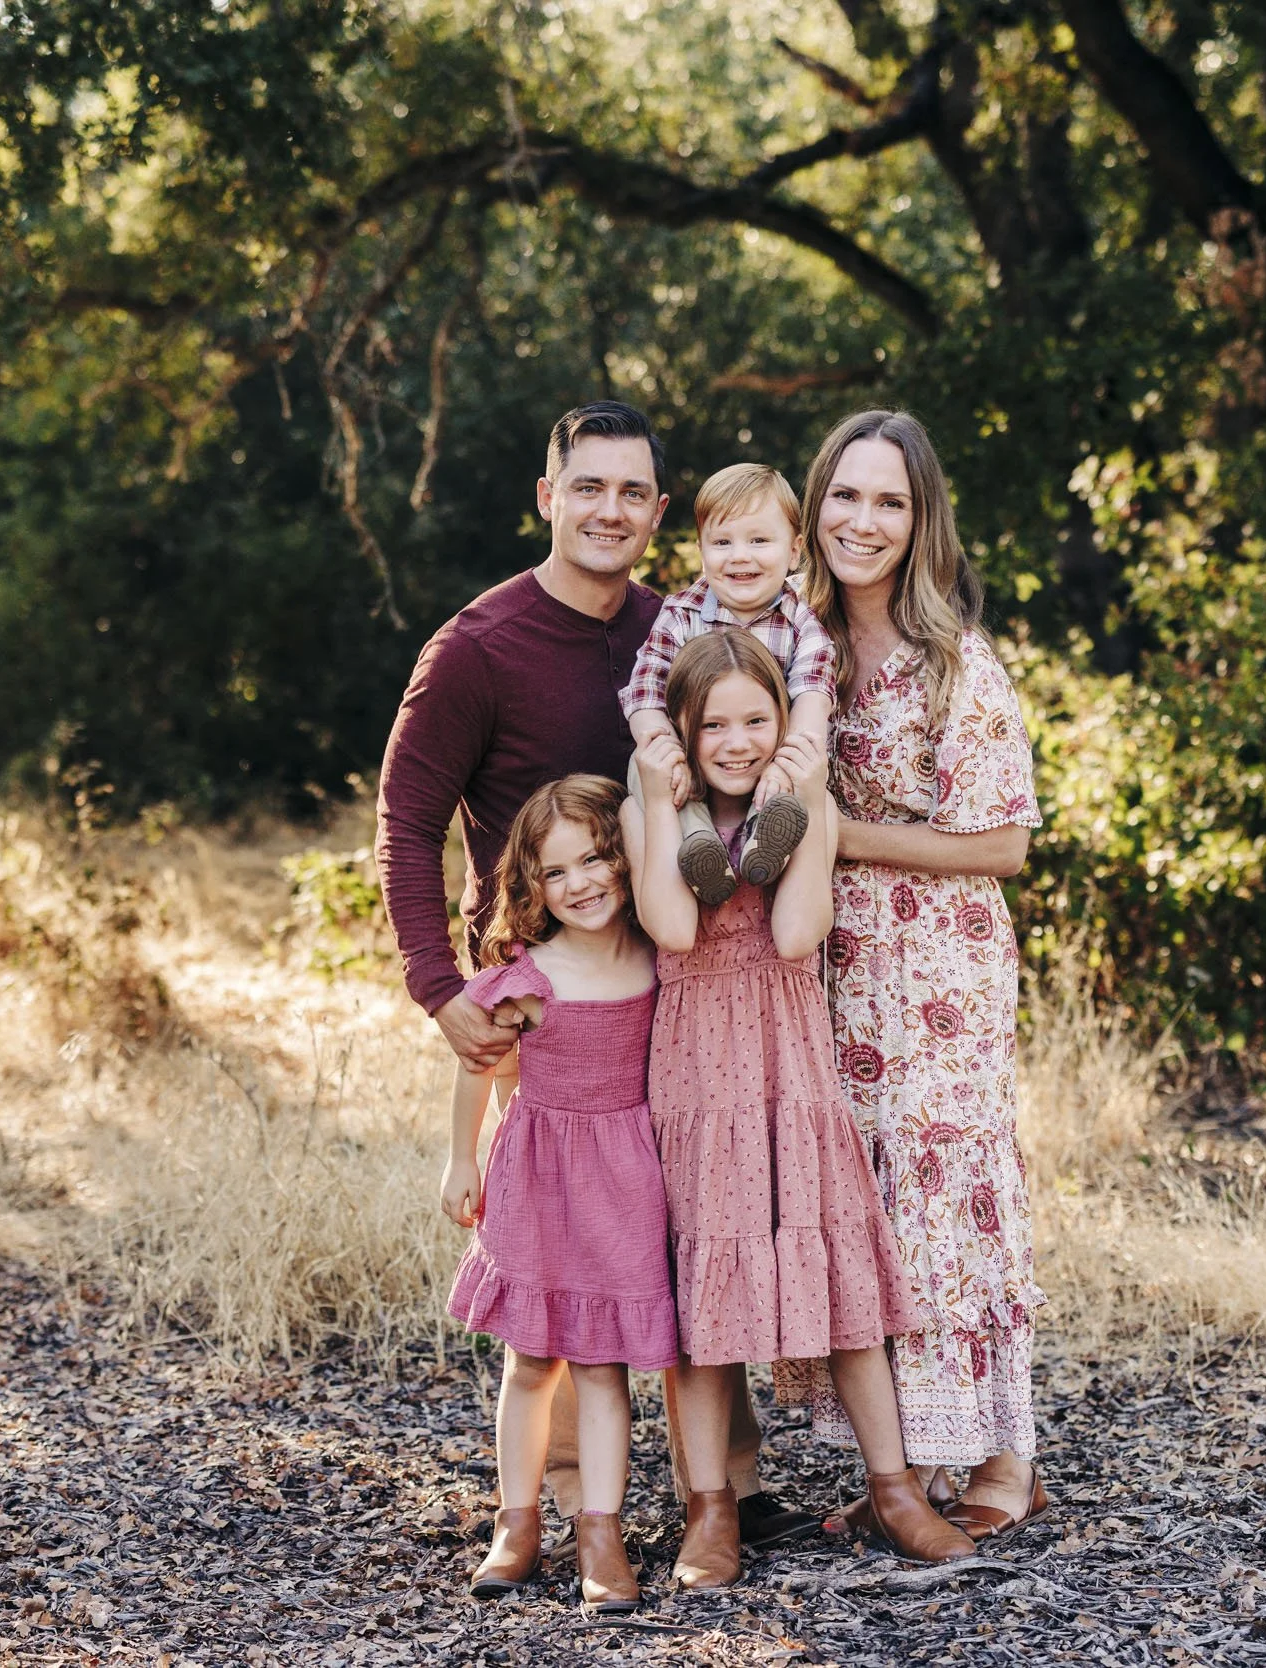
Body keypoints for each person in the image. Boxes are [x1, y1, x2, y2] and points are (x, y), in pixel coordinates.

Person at [375, 400, 808, 1553]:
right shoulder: (476, 648)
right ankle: (571, 1497)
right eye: (588, 487)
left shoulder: (676, 632)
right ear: (548, 496)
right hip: (546, 984)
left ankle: (729, 1482)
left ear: (658, 513)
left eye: (631, 492)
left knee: (676, 1222)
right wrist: (439, 988)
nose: (609, 509)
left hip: (673, 974)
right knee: (567, 1232)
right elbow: (404, 822)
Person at [624, 629, 976, 1583]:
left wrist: (802, 810)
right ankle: (711, 1511)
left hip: (789, 1062)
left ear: (785, 725)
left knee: (845, 1279)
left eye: (757, 720)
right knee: (706, 1293)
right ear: (684, 736)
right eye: (714, 727)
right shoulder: (646, 804)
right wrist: (666, 808)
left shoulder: (807, 803)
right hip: (697, 1070)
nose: (737, 741)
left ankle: (894, 1489)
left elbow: (793, 936)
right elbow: (670, 925)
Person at [787, 410, 1050, 1543]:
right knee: (870, 1206)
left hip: (938, 968)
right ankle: (908, 1465)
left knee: (947, 1199)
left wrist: (840, 833)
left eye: (888, 502)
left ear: (919, 518)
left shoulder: (955, 662)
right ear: (815, 506)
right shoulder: (792, 643)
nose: (863, 520)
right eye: (845, 497)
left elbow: (1003, 846)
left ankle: (1003, 1459)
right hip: (831, 967)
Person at [443, 776, 674, 1616]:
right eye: (556, 871)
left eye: (595, 858)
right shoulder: (531, 975)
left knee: (607, 1365)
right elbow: (478, 1063)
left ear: (625, 856)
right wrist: (458, 1161)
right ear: (530, 887)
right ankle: (518, 1522)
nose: (581, 883)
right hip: (538, 1176)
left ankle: (601, 1534)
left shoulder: (657, 957)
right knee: (534, 1361)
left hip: (625, 1182)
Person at [621, 463, 835, 905]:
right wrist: (664, 748)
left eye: (759, 540)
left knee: (806, 757)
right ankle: (701, 850)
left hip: (765, 764)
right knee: (642, 765)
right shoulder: (682, 613)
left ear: (794, 551)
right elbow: (645, 686)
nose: (740, 556)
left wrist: (786, 763)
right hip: (692, 764)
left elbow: (813, 697)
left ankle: (764, 836)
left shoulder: (801, 624)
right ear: (701, 551)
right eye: (722, 542)